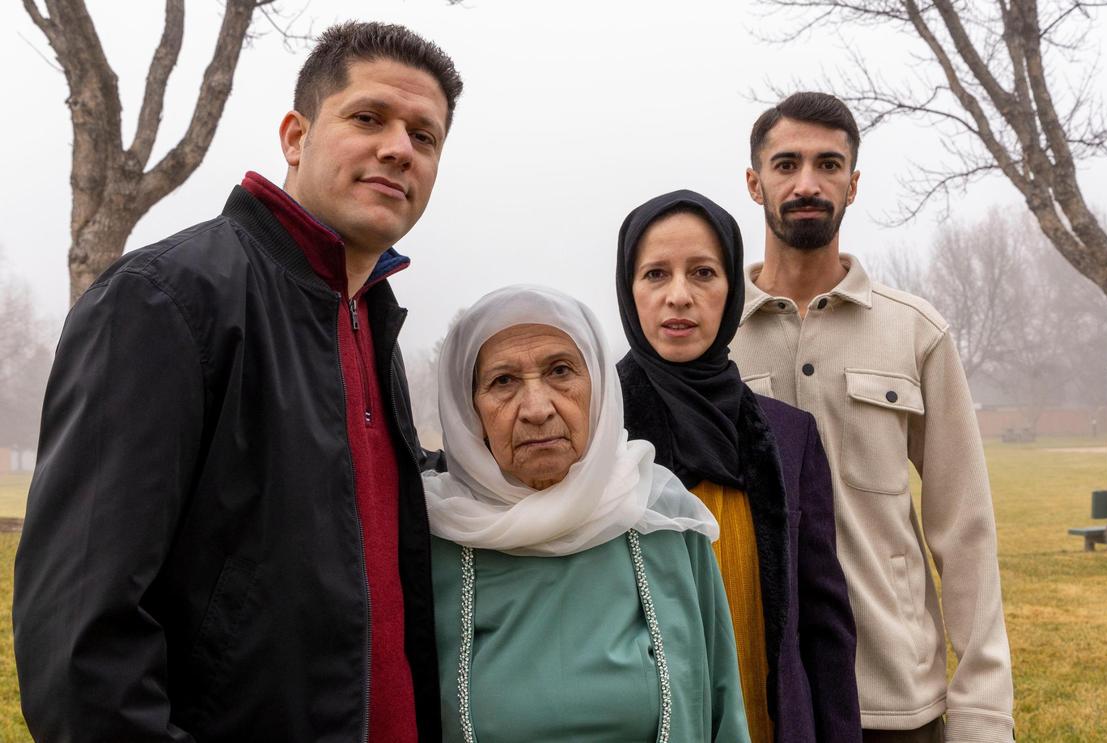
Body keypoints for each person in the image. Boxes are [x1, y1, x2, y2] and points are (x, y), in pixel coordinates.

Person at [14, 22, 462, 743]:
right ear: (295, 135)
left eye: (425, 135)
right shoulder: (165, 301)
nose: (398, 148)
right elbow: (80, 651)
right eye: (369, 118)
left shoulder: (370, 322)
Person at [729, 92, 1014, 742]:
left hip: (894, 703)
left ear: (853, 184)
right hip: (751, 702)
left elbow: (966, 533)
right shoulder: (711, 342)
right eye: (786, 163)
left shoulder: (917, 333)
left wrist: (983, 714)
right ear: (755, 181)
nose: (808, 182)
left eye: (829, 164)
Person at [422, 285, 750, 742]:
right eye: (503, 381)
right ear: (468, 408)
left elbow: (724, 715)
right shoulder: (432, 541)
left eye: (560, 371)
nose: (537, 410)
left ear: (598, 385)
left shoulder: (663, 523)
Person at [615, 189, 861, 742]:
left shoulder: (788, 436)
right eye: (655, 274)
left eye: (702, 273)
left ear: (731, 291)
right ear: (628, 292)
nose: (679, 296)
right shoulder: (593, 434)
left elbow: (824, 628)